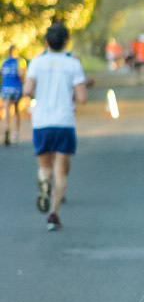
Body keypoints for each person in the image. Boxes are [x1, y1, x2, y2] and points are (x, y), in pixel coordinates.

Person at [22, 23, 88, 231]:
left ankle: (44, 183)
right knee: (61, 170)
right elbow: (82, 98)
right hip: (64, 122)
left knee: (45, 167)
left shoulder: (36, 63)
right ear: (66, 42)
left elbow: (27, 90)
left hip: (41, 121)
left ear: (46, 42)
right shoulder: (73, 64)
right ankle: (53, 214)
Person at [2, 45, 25, 146]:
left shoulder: (4, 62)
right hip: (16, 88)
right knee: (16, 111)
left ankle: (7, 128)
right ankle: (16, 134)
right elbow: (21, 75)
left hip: (5, 87)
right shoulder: (20, 61)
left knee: (6, 109)